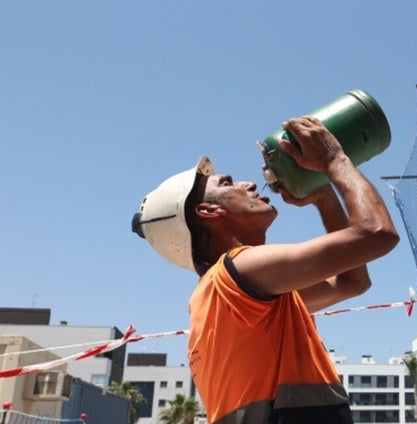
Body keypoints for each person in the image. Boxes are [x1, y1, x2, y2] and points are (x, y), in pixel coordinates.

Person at [131, 116, 400, 423]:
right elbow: (377, 234)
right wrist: (335, 159)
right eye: (228, 183)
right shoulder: (239, 270)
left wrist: (324, 198)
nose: (250, 184)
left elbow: (352, 281)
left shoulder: (232, 299)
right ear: (208, 211)